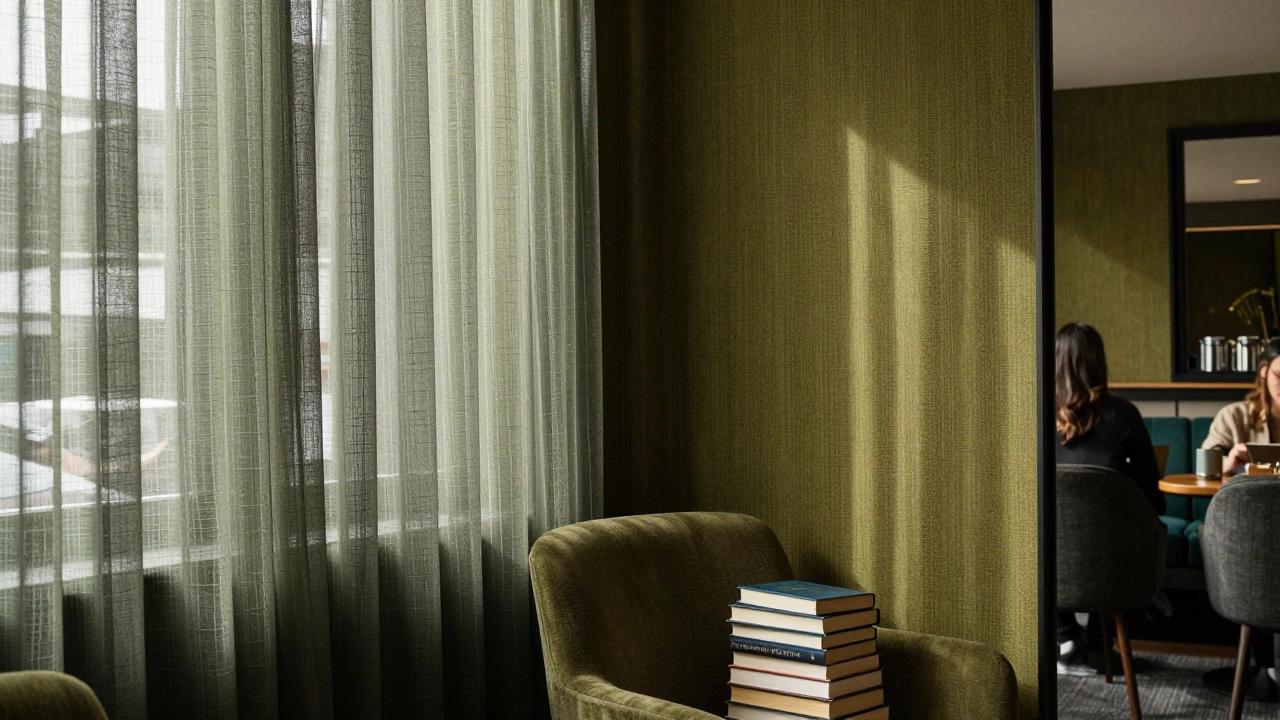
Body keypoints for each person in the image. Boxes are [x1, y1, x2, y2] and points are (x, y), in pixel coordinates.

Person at [1054, 322, 1166, 675]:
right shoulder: (1124, 415)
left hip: (1051, 559)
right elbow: (1154, 498)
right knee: (1131, 532)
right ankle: (1101, 645)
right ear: (1099, 362)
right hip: (1112, 559)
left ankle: (1066, 638)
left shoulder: (1033, 415)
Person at [1201, 338, 1280, 473]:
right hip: (1248, 487)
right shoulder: (1233, 416)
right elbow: (1206, 464)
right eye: (1279, 375)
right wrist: (1229, 462)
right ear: (1264, 372)